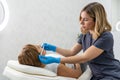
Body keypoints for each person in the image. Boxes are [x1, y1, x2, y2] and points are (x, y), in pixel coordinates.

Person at [39, 2, 120, 80]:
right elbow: (71, 52)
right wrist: (52, 48)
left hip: (110, 74)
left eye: (85, 19)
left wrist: (57, 60)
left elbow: (84, 58)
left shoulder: (106, 37)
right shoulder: (85, 35)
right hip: (97, 75)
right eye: (81, 18)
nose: (81, 22)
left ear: (96, 20)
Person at [18, 44, 82, 78]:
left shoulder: (46, 60)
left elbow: (68, 54)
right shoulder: (56, 67)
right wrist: (76, 61)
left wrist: (54, 48)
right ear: (39, 56)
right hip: (79, 66)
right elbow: (78, 74)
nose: (40, 45)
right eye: (37, 47)